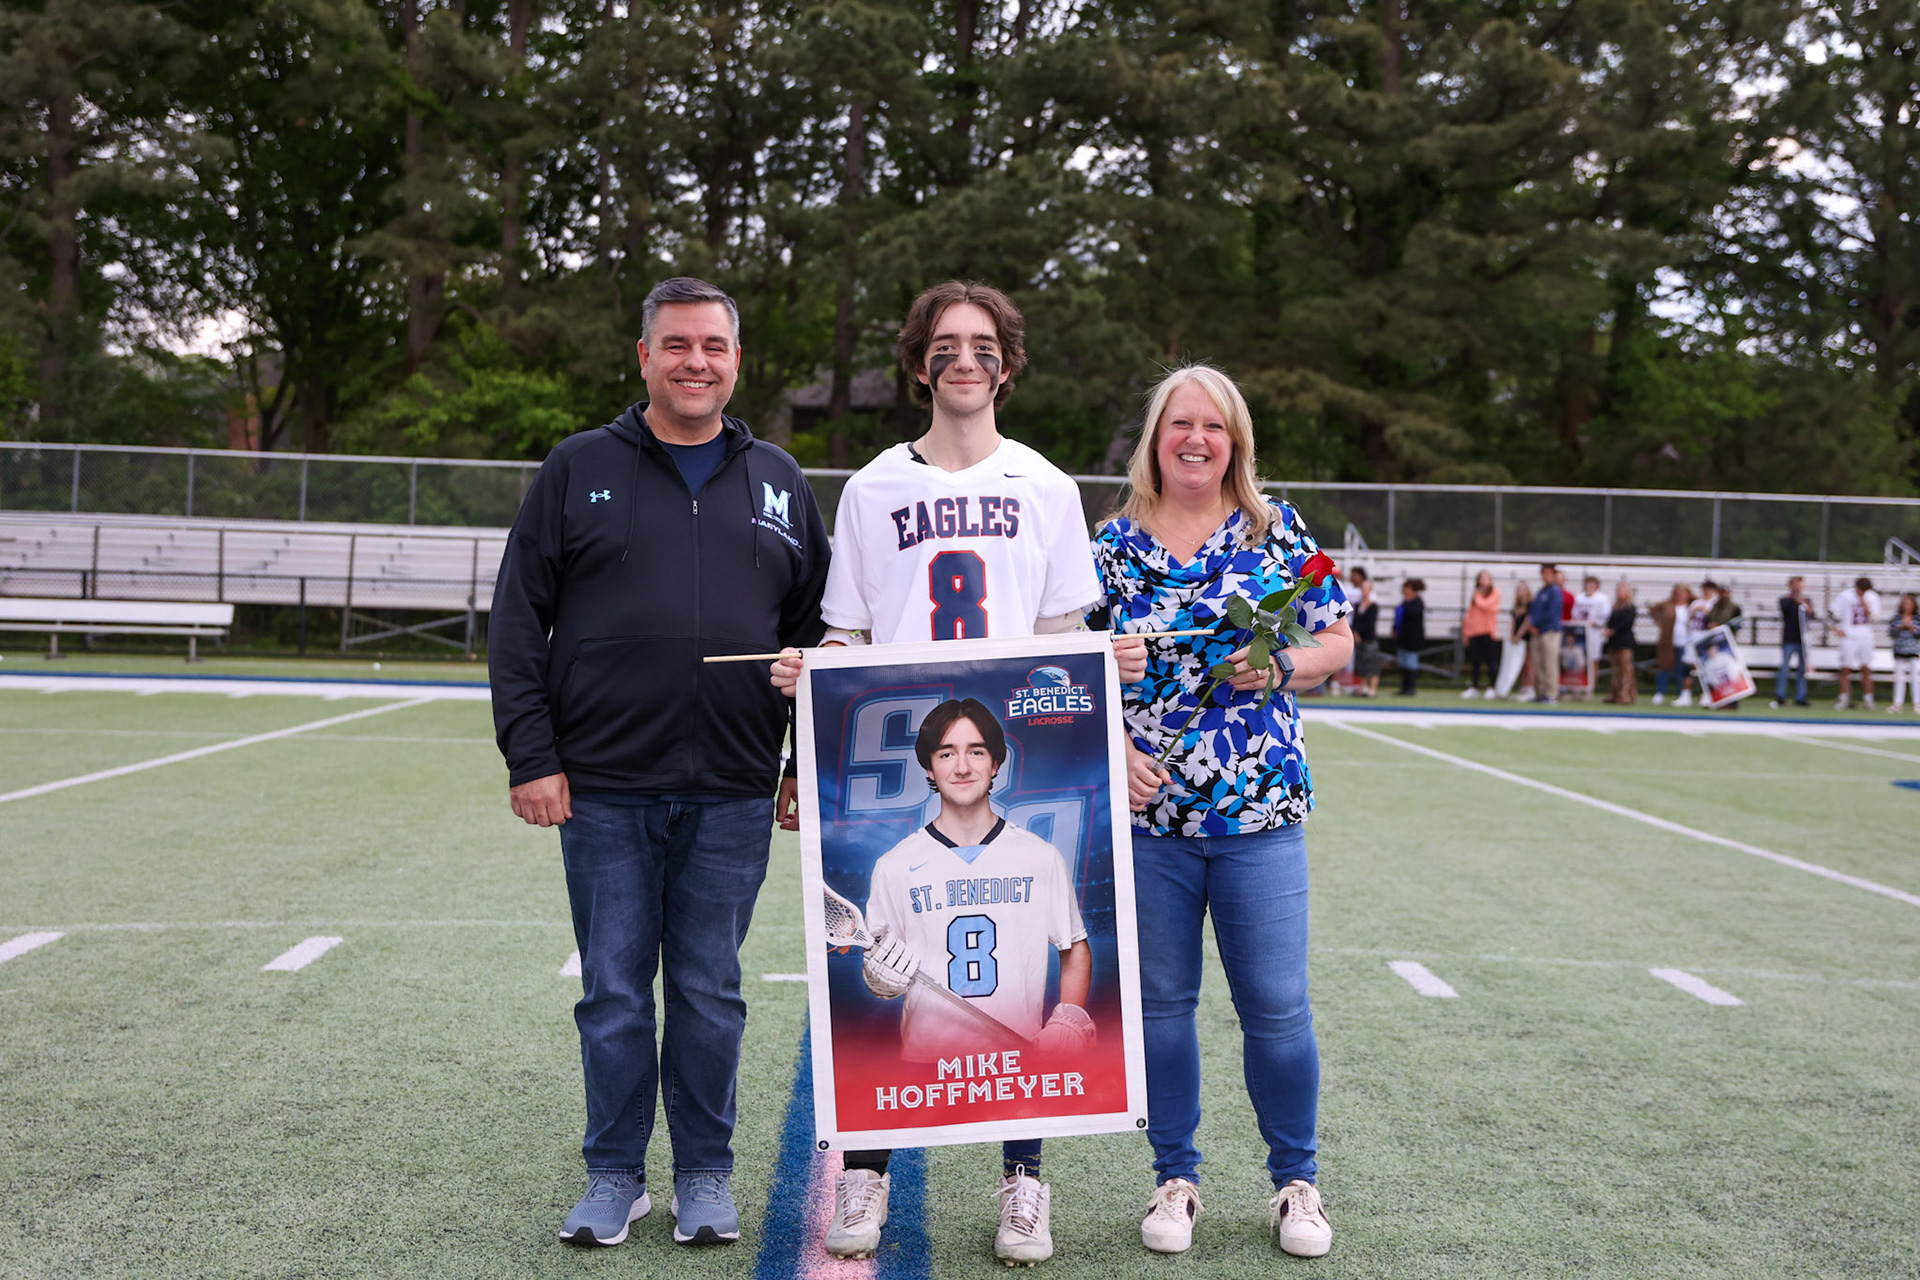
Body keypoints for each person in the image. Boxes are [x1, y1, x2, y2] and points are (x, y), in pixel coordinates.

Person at [769, 280, 1145, 1266]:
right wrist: (810, 682)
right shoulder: (873, 487)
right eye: (945, 344)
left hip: (1014, 753)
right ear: (918, 361)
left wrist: (1110, 669)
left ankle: (1024, 1178)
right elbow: (846, 630)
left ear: (1008, 364)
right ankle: (870, 1165)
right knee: (892, 963)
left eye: (983, 344)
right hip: (901, 759)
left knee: (1018, 965)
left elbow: (1067, 632)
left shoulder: (1049, 486)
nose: (964, 359)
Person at [490, 277, 832, 1249]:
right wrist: (533, 753)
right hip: (600, 786)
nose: (696, 361)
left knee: (711, 989)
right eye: (676, 344)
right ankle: (614, 1173)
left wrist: (804, 762)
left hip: (730, 784)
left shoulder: (778, 477)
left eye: (714, 346)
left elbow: (823, 637)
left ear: (736, 359)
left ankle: (707, 1173)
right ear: (643, 356)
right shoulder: (577, 465)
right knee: (611, 988)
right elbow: (518, 619)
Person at [1090, 364, 1353, 1260]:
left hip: (1261, 812)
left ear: (1235, 440)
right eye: (1178, 424)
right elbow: (1057, 667)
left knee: (1276, 1007)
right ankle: (1176, 1178)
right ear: (1154, 439)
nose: (1196, 439)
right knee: (1163, 1008)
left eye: (1214, 426)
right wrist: (1107, 707)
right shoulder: (1109, 547)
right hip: (1149, 816)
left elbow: (1339, 634)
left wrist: (1283, 666)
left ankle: (1297, 1183)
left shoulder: (1282, 533)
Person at [860, 699, 1095, 1059]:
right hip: (928, 1063)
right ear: (928, 767)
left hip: (1019, 1060)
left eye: (977, 751)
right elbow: (881, 968)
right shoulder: (894, 866)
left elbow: (1074, 946)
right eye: (946, 754)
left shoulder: (1038, 856)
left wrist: (1069, 1019)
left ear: (996, 762)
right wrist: (879, 981)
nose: (963, 767)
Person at [1831, 577, 1882, 710]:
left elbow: (1874, 616)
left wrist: (1865, 605)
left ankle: (1868, 698)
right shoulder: (1845, 596)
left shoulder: (1872, 597)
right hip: (1848, 635)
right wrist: (1835, 628)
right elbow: (1832, 612)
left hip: (1865, 636)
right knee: (1845, 668)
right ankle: (1843, 698)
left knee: (1866, 668)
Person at [1517, 563, 1564, 703]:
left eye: (1549, 573)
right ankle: (1542, 692)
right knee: (1539, 664)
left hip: (1549, 632)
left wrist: (1538, 626)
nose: (1546, 576)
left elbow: (1552, 614)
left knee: (1549, 664)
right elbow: (1533, 612)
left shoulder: (1555, 592)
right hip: (1536, 633)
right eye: (1544, 573)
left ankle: (1551, 693)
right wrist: (1531, 627)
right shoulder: (1541, 592)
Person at [1771, 577, 1813, 708]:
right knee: (1784, 668)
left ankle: (1800, 696)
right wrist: (1796, 598)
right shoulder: (1785, 600)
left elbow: (1812, 614)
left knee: (1802, 669)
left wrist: (1805, 604)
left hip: (1802, 640)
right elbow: (1785, 610)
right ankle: (1781, 695)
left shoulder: (1806, 601)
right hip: (1789, 639)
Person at [1460, 570, 1500, 698]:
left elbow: (1486, 605)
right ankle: (1474, 687)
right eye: (1481, 578)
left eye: (1486, 578)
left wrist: (1477, 597)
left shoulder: (1495, 593)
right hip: (1474, 632)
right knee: (1475, 661)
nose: (1484, 581)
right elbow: (1470, 614)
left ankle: (1492, 687)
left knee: (1491, 661)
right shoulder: (1475, 594)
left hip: (1488, 632)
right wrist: (1466, 632)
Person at [1649, 584, 1692, 704]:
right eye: (1677, 592)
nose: (1680, 595)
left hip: (1686, 642)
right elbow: (1653, 609)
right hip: (1669, 641)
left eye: (1683, 592)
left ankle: (1682, 693)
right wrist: (1660, 622)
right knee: (1664, 667)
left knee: (1682, 668)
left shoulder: (1692, 606)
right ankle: (1660, 692)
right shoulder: (1668, 604)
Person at [1348, 566, 1383, 696]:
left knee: (1372, 664)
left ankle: (1372, 689)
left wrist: (1360, 633)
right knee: (1361, 664)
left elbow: (1370, 623)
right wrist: (1355, 633)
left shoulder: (1373, 605)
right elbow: (1355, 621)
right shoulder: (1358, 605)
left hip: (1369, 637)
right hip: (1359, 637)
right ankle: (1362, 687)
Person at [1603, 582, 1637, 704]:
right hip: (1614, 643)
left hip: (1624, 642)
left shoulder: (1630, 608)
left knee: (1626, 670)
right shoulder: (1616, 607)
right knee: (1616, 671)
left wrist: (1613, 630)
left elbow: (1626, 624)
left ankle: (1627, 695)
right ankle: (1615, 693)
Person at [1394, 578, 1426, 696]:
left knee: (1411, 663)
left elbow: (1412, 615)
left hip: (1413, 638)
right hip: (1403, 637)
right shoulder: (1404, 602)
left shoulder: (1417, 603)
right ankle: (1404, 687)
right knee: (1403, 663)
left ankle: (1411, 688)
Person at [1503, 580, 1535, 700]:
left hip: (1526, 637)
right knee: (1519, 664)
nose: (1521, 592)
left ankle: (1530, 688)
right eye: (1519, 590)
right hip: (1517, 638)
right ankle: (1523, 687)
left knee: (1528, 663)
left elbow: (1527, 621)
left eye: (1523, 589)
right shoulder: (1516, 606)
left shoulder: (1530, 604)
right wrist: (1512, 634)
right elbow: (1513, 621)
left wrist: (1519, 635)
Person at [1890, 594, 1919, 713]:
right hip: (1899, 650)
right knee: (1899, 678)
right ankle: (1897, 703)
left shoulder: (1917, 618)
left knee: (1915, 678)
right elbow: (1891, 632)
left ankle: (1917, 703)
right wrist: (1901, 627)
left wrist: (1912, 628)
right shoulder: (1897, 618)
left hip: (1912, 651)